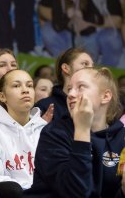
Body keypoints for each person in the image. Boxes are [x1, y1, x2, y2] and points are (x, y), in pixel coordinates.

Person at [24, 67, 125, 198]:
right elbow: (75, 192)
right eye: (69, 88)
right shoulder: (54, 133)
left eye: (81, 87)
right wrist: (82, 129)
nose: (70, 94)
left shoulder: (120, 137)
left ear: (105, 96)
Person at [0, 69, 48, 198]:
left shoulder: (44, 129)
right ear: (2, 96)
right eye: (16, 85)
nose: (25, 90)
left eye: (29, 85)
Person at [38, 0, 123, 67]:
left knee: (89, 57)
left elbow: (99, 18)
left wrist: (86, 20)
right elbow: (54, 21)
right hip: (67, 33)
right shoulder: (59, 1)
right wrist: (67, 17)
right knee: (49, 32)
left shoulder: (86, 1)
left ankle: (102, 73)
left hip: (87, 33)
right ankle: (63, 66)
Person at [35, 47, 94, 121]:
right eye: (85, 64)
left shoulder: (95, 104)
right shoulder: (44, 106)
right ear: (66, 68)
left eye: (92, 66)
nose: (91, 69)